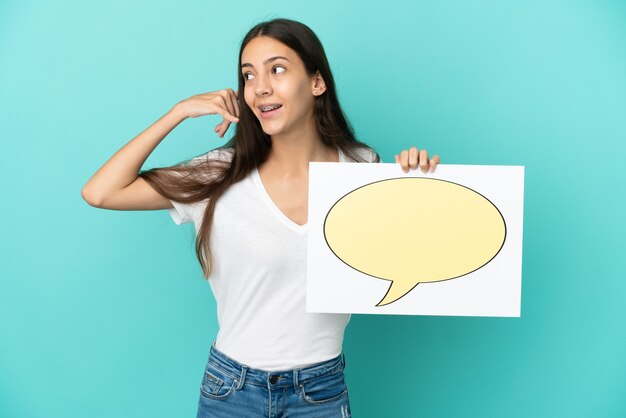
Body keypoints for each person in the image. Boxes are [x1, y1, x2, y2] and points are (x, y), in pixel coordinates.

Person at [82, 17, 440, 418]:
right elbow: (100, 191)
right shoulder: (218, 173)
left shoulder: (362, 167)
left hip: (320, 391)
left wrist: (417, 181)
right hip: (232, 390)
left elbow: (404, 257)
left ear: (317, 82)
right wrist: (179, 112)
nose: (260, 87)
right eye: (248, 75)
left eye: (278, 69)